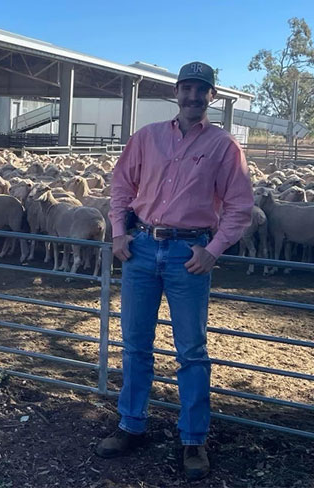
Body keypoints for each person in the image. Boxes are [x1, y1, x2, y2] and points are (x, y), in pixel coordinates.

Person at [95, 61, 254, 481]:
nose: (193, 97)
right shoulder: (146, 138)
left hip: (189, 254)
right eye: (187, 89)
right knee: (134, 344)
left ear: (212, 97)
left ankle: (193, 439)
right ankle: (131, 424)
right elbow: (122, 186)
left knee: (192, 350)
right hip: (142, 249)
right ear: (176, 92)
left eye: (202, 91)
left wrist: (213, 250)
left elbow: (240, 206)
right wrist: (118, 234)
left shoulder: (224, 147)